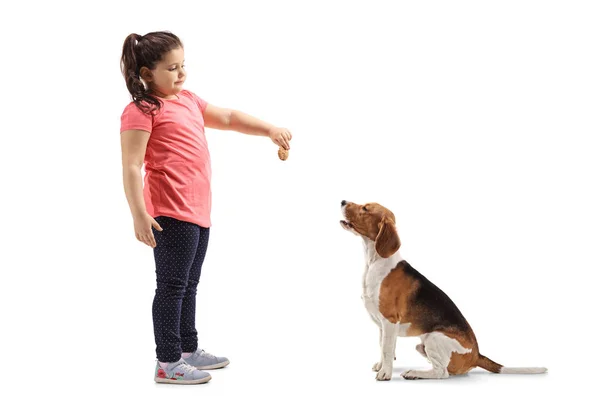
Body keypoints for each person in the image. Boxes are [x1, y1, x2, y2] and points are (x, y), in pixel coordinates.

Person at [119, 31, 292, 384]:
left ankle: (186, 349)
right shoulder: (141, 110)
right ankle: (167, 362)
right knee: (171, 287)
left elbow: (228, 118)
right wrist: (138, 213)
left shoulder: (189, 101)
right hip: (169, 213)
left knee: (189, 284)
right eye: (171, 68)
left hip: (198, 212)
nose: (181, 73)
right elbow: (131, 165)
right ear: (147, 73)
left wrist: (270, 129)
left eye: (183, 65)